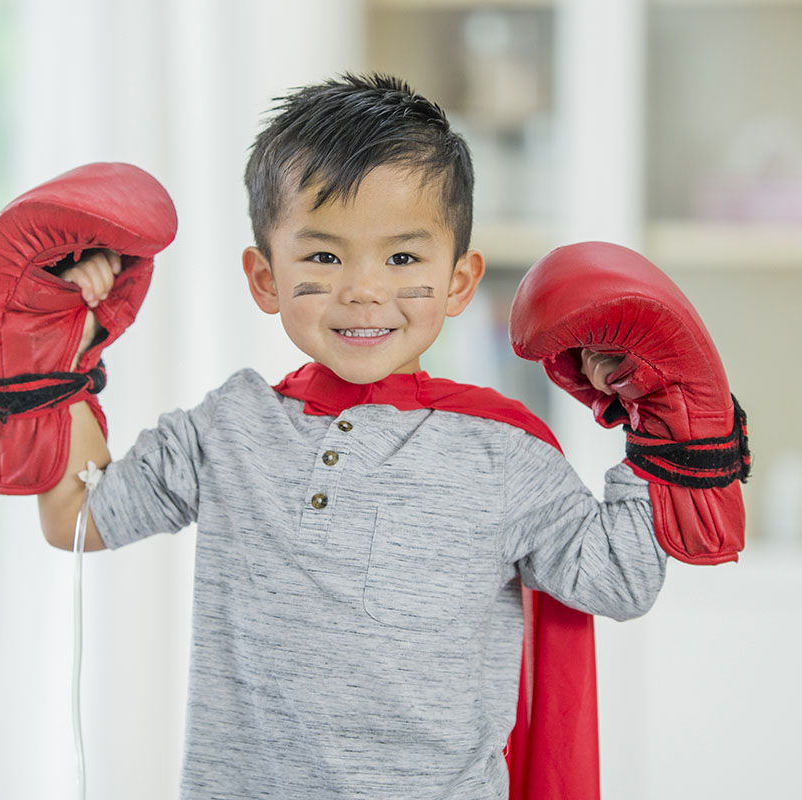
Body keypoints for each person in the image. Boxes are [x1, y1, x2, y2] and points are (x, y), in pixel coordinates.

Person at [36, 74, 666, 799]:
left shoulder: (504, 452)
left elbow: (619, 580)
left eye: (403, 258)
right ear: (265, 277)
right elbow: (78, 518)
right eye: (324, 257)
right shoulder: (228, 428)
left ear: (459, 281)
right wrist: (63, 352)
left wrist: (660, 419)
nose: (364, 289)